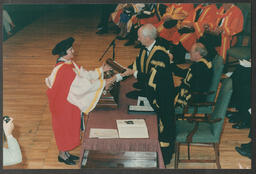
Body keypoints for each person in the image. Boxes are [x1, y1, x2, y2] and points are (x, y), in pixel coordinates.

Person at [45, 37, 127, 165]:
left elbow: (84, 74)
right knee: (64, 129)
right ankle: (62, 155)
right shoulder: (65, 70)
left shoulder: (68, 64)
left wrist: (101, 71)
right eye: (71, 49)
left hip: (67, 101)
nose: (73, 51)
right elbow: (85, 86)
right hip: (63, 104)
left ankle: (65, 153)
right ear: (65, 53)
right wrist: (108, 81)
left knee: (69, 128)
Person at [123, 24, 176, 166]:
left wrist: (132, 73)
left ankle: (165, 157)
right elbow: (137, 64)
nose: (138, 39)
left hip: (163, 95)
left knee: (165, 125)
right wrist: (124, 70)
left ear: (147, 37)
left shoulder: (160, 54)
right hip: (152, 92)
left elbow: (153, 77)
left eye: (139, 36)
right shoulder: (145, 49)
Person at [172, 42, 213, 107]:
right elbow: (185, 73)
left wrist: (170, 63)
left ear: (197, 53)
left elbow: (185, 75)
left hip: (195, 96)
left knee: (166, 92)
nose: (189, 54)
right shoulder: (202, 64)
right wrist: (171, 64)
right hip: (196, 93)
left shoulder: (200, 66)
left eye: (191, 52)